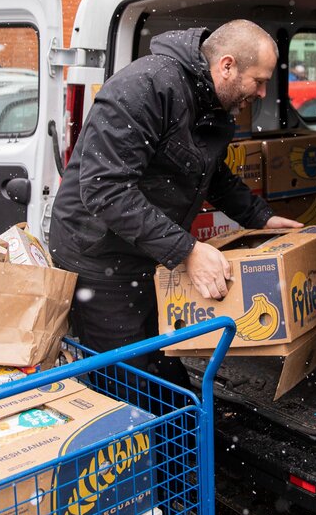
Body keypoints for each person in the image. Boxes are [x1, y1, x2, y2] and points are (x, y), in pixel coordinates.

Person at [49, 20, 301, 386]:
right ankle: (139, 437)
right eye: (258, 81)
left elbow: (210, 172)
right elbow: (106, 188)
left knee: (161, 360)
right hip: (98, 255)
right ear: (227, 66)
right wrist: (187, 250)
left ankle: (176, 435)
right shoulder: (146, 88)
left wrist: (259, 216)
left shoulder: (213, 101)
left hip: (147, 250)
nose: (263, 93)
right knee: (126, 376)